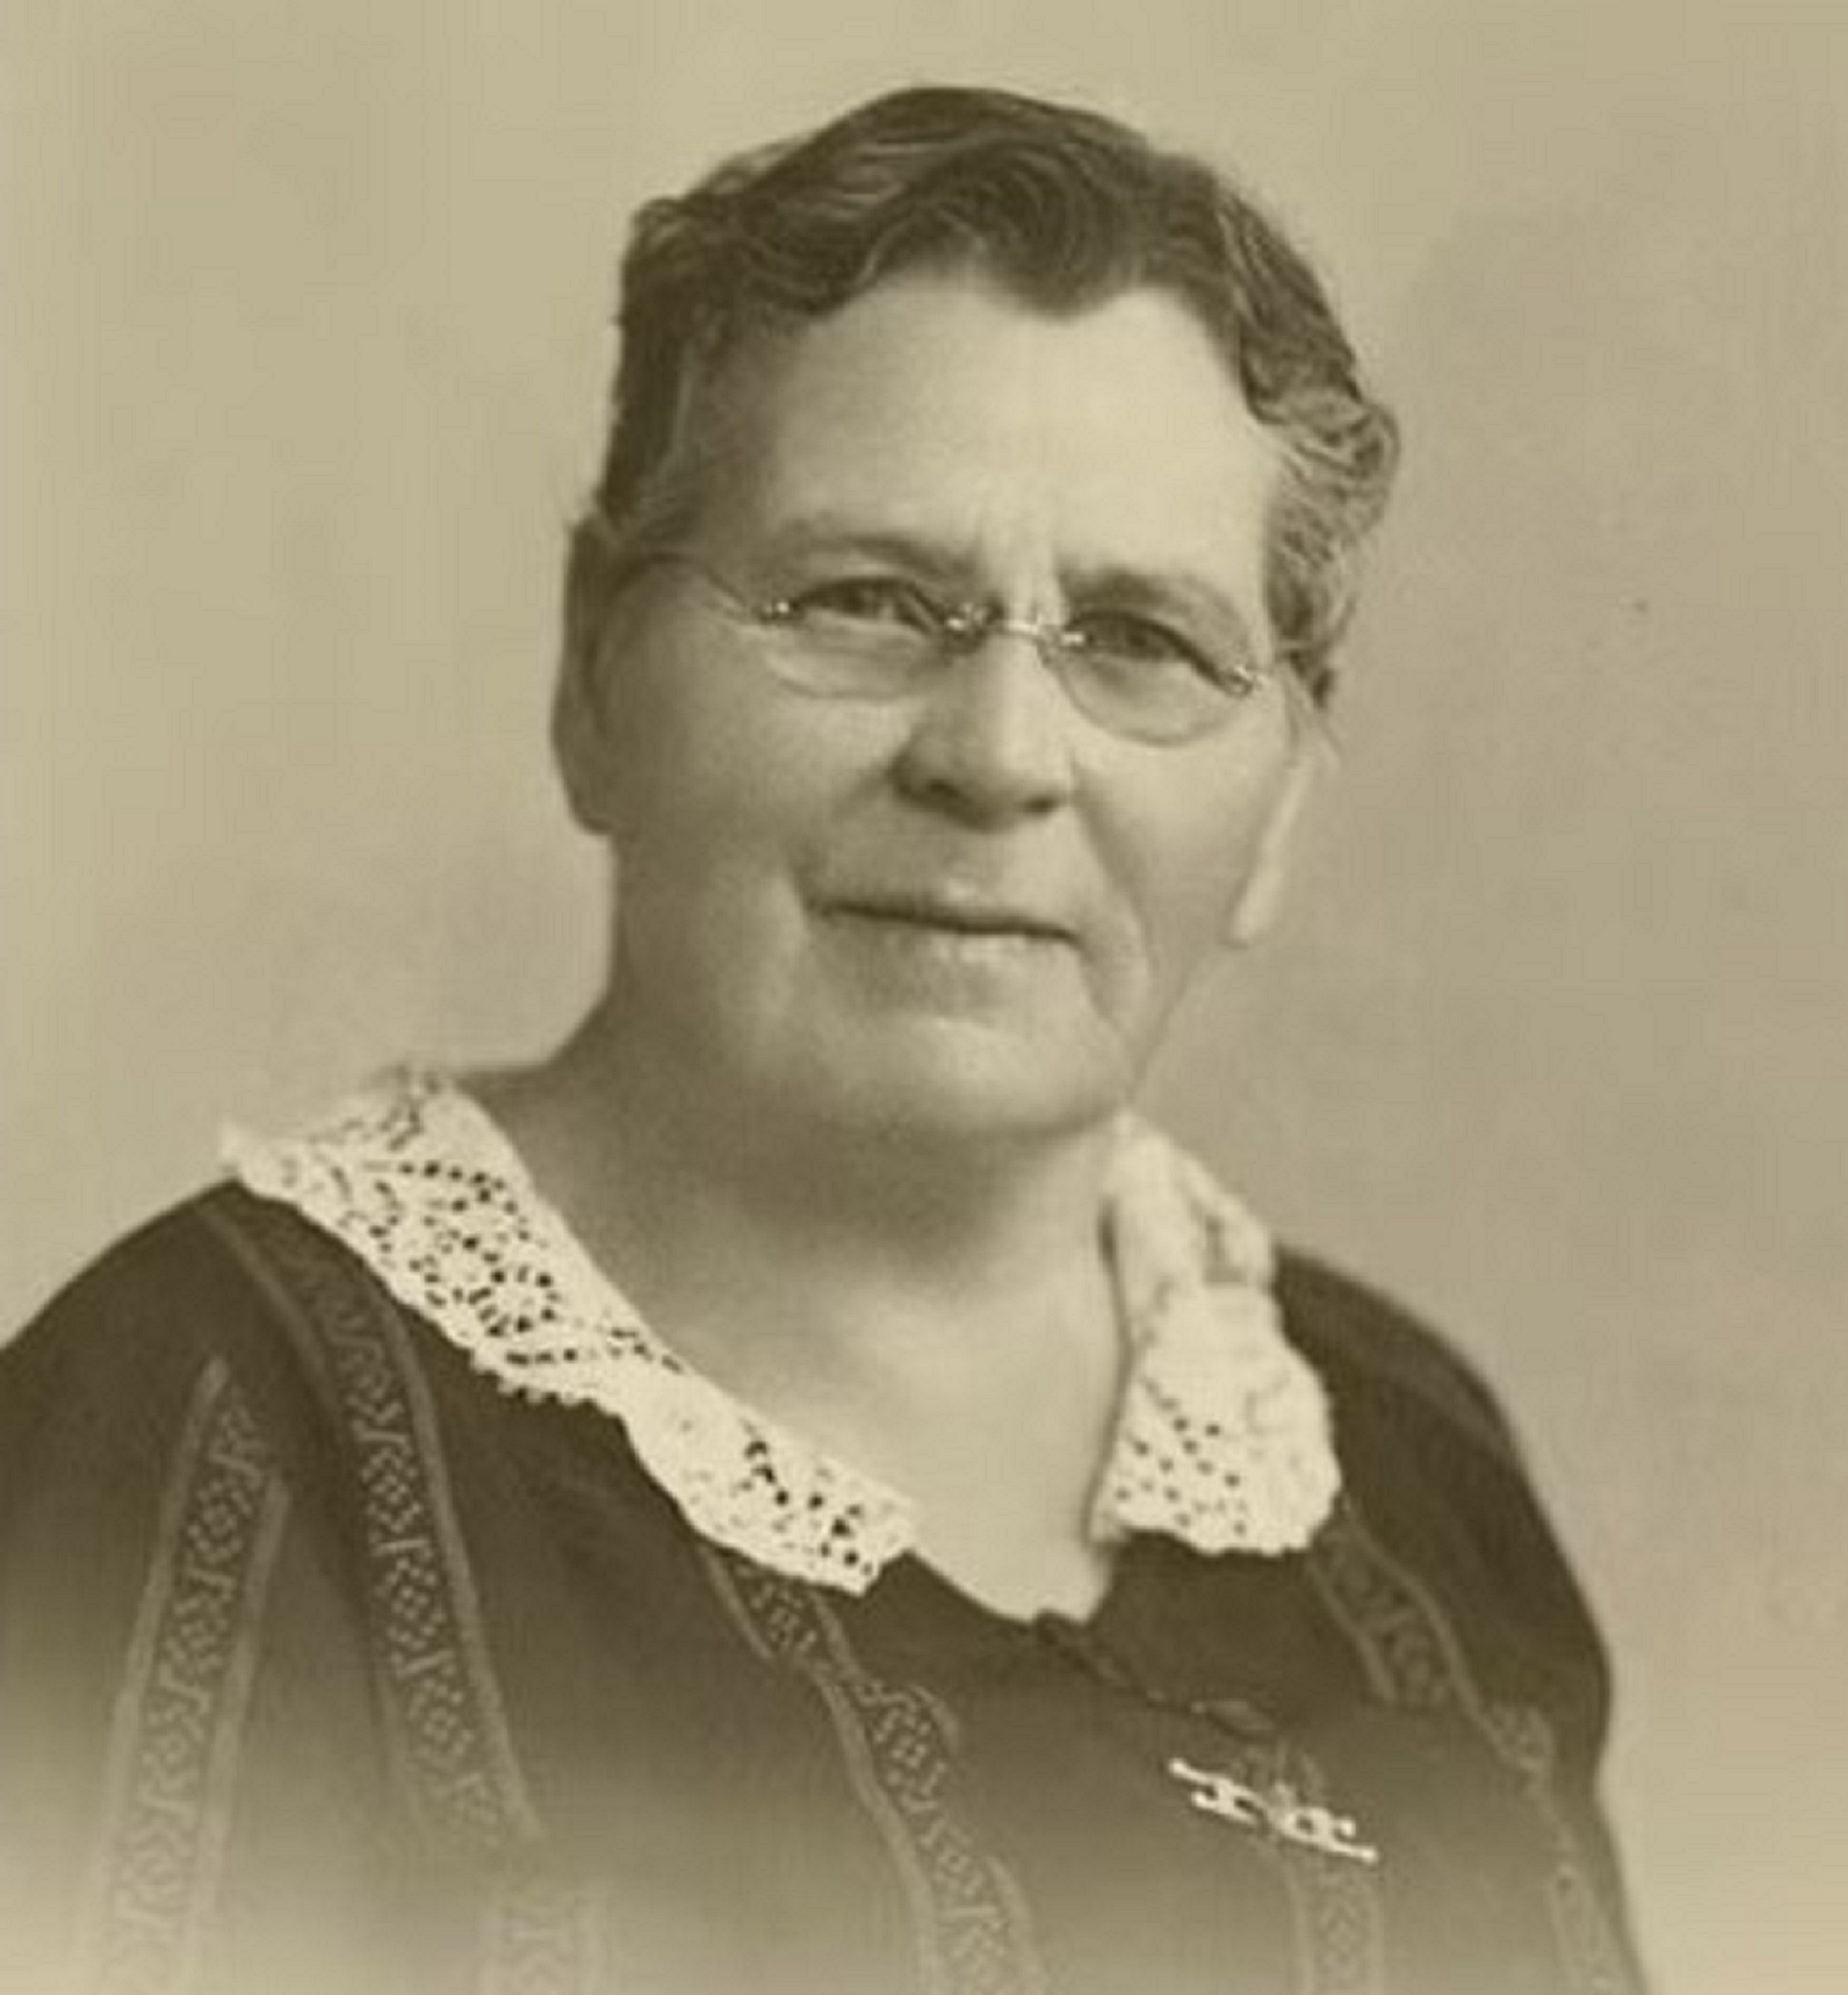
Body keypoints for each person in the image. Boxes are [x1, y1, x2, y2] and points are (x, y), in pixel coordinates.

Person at [0, 85, 1645, 1995]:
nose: (998, 757)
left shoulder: (1410, 1476)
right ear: (594, 674)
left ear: (1280, 801)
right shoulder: (208, 1441)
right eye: (865, 601)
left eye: (1138, 640)